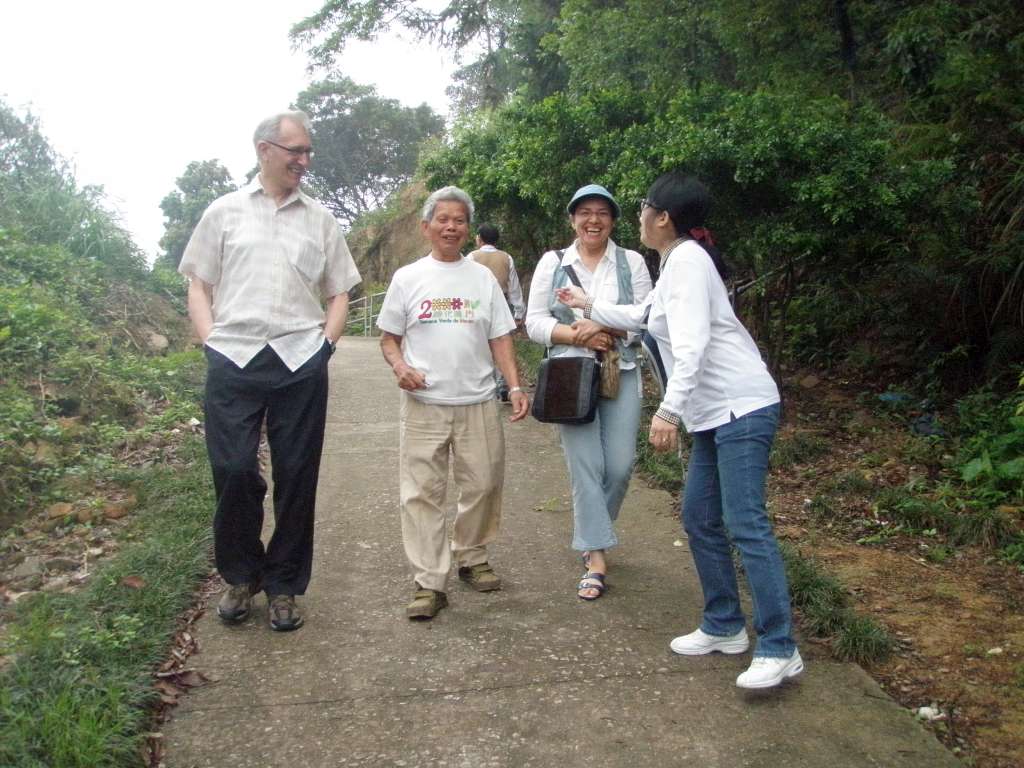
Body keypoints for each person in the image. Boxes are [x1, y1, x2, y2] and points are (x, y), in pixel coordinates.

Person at [558, 172, 801, 689]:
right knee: (699, 518)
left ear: (663, 217)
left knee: (745, 524)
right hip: (713, 414)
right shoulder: (675, 263)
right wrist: (587, 305)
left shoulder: (688, 262)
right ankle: (724, 624)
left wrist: (667, 412)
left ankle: (780, 646)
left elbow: (692, 347)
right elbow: (644, 315)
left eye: (644, 207)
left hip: (740, 407)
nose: (640, 215)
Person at [179, 110, 361, 632]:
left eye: (308, 152)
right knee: (233, 468)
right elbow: (198, 283)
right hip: (233, 356)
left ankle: (283, 585)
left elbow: (339, 291)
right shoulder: (224, 211)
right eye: (295, 151)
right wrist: (210, 340)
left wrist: (326, 345)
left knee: (298, 474)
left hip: (300, 358)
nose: (305, 161)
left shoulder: (320, 219)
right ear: (264, 150)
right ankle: (241, 575)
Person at [377, 186, 530, 620]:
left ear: (468, 229)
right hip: (424, 402)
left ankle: (471, 555)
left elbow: (500, 337)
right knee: (421, 494)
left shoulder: (481, 278)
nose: (451, 227)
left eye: (459, 220)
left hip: (477, 399)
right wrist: (400, 366)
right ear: (426, 227)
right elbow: (388, 339)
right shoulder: (407, 278)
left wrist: (515, 387)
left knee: (484, 483)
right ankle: (429, 582)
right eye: (442, 219)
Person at [525, 184, 652, 600]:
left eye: (602, 213)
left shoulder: (631, 262)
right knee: (586, 466)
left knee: (620, 466)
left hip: (621, 371)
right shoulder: (553, 262)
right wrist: (577, 336)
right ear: (572, 219)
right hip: (570, 375)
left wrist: (602, 326)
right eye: (584, 212)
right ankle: (596, 557)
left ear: (612, 221)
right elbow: (534, 322)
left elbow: (645, 321)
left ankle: (593, 531)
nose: (593, 220)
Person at [468, 223, 526, 401]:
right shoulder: (506, 257)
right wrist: (518, 313)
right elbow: (514, 287)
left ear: (479, 238)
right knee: (502, 344)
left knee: (480, 346)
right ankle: (503, 386)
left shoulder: (471, 257)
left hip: (477, 306)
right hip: (503, 305)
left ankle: (486, 385)